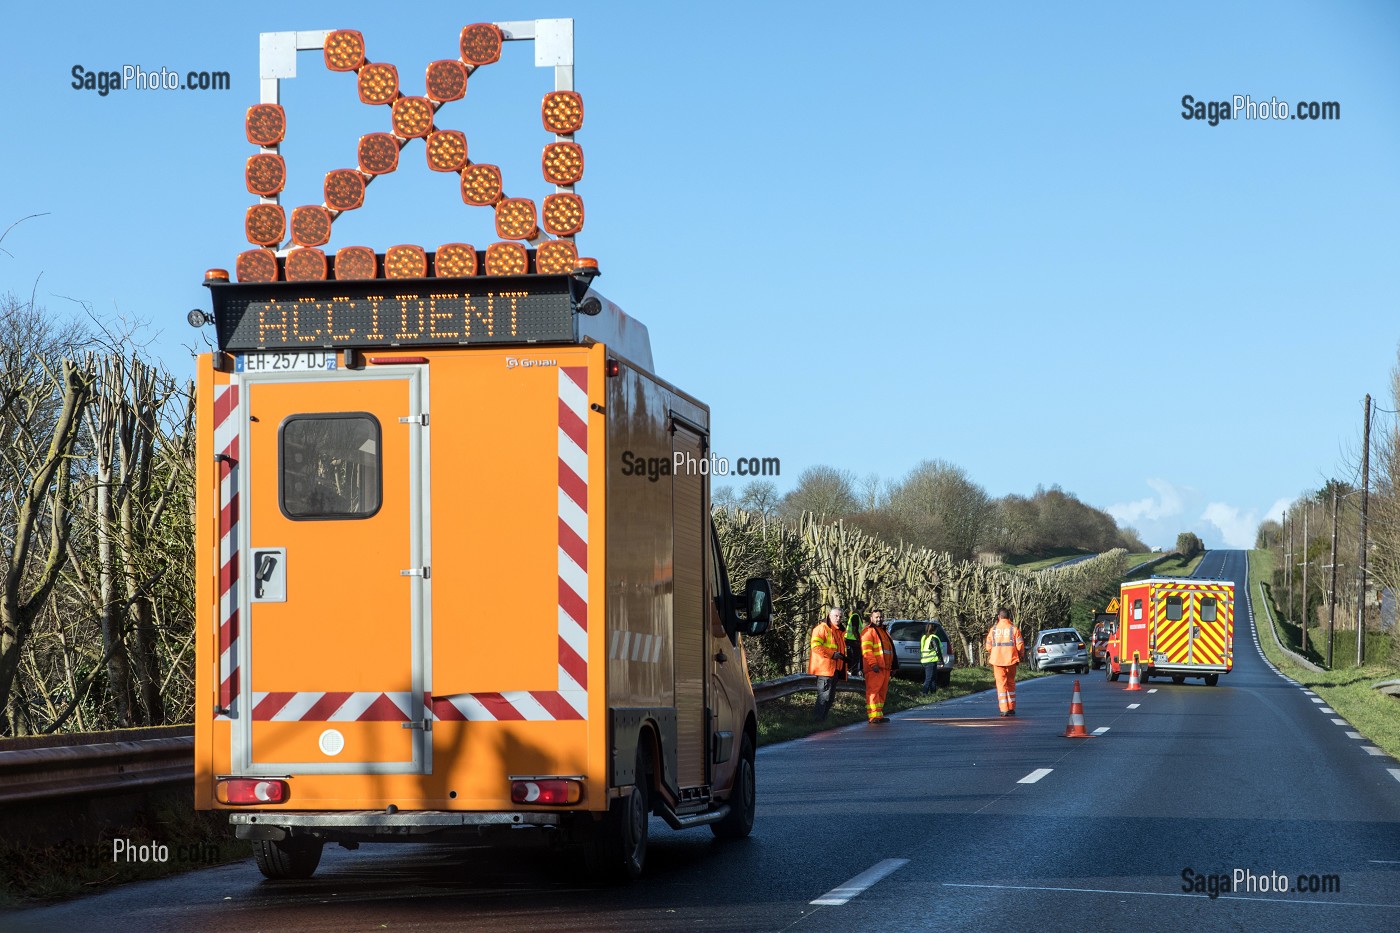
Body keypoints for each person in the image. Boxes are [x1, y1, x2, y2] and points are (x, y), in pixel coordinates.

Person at [808, 607, 848, 721]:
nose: (838, 618)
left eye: (840, 616)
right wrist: (832, 654)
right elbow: (816, 647)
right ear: (829, 616)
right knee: (824, 697)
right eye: (836, 616)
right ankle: (817, 721)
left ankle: (821, 721)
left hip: (835, 669)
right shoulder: (821, 629)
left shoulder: (839, 631)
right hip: (824, 669)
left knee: (829, 698)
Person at [984, 608, 1025, 717]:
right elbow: (1020, 645)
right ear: (1009, 617)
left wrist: (995, 651)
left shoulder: (993, 630)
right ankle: (1011, 707)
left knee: (1001, 685)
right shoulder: (1014, 629)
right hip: (1011, 660)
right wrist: (1020, 655)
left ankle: (1004, 709)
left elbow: (988, 646)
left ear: (999, 617)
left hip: (997, 661)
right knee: (1011, 683)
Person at [860, 609, 896, 723]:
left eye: (880, 617)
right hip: (875, 668)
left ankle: (879, 715)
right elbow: (867, 651)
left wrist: (893, 666)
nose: (879, 619)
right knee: (873, 692)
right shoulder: (869, 631)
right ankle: (873, 716)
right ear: (871, 618)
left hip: (885, 667)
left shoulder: (884, 631)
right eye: (876, 617)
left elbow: (889, 650)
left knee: (881, 692)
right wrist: (873, 664)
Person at [920, 622, 944, 696]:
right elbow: (937, 650)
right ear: (934, 630)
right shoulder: (934, 638)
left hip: (925, 660)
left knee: (933, 678)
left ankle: (933, 693)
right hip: (931, 660)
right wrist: (941, 661)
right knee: (929, 678)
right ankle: (924, 692)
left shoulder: (924, 637)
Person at [844, 609, 863, 678]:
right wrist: (858, 639)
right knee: (855, 659)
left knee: (853, 658)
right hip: (853, 640)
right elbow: (854, 630)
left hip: (850, 640)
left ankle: (852, 673)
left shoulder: (853, 616)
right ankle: (853, 674)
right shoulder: (855, 616)